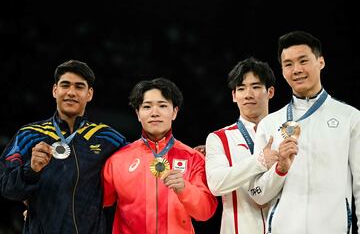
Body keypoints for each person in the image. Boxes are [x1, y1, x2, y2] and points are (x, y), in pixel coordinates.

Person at [248, 30, 360, 233]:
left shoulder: (350, 118)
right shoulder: (269, 124)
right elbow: (257, 194)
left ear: (321, 62)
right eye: (288, 64)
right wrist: (279, 169)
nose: (296, 69)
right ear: (282, 71)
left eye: (303, 61)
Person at [0, 59, 128, 234]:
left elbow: (138, 167)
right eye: (65, 85)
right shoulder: (28, 135)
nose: (71, 92)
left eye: (79, 87)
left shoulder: (107, 137)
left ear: (89, 94)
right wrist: (31, 169)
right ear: (55, 90)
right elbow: (6, 187)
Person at [102, 77, 218, 234]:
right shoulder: (117, 160)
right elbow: (94, 204)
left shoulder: (194, 158)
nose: (154, 113)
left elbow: (205, 212)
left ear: (174, 112)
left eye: (162, 106)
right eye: (147, 106)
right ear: (138, 113)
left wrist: (185, 189)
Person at [205, 57, 278, 234]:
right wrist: (260, 162)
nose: (248, 94)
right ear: (233, 96)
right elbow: (216, 184)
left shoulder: (285, 133)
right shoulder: (219, 138)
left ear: (270, 92)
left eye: (256, 87)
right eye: (241, 88)